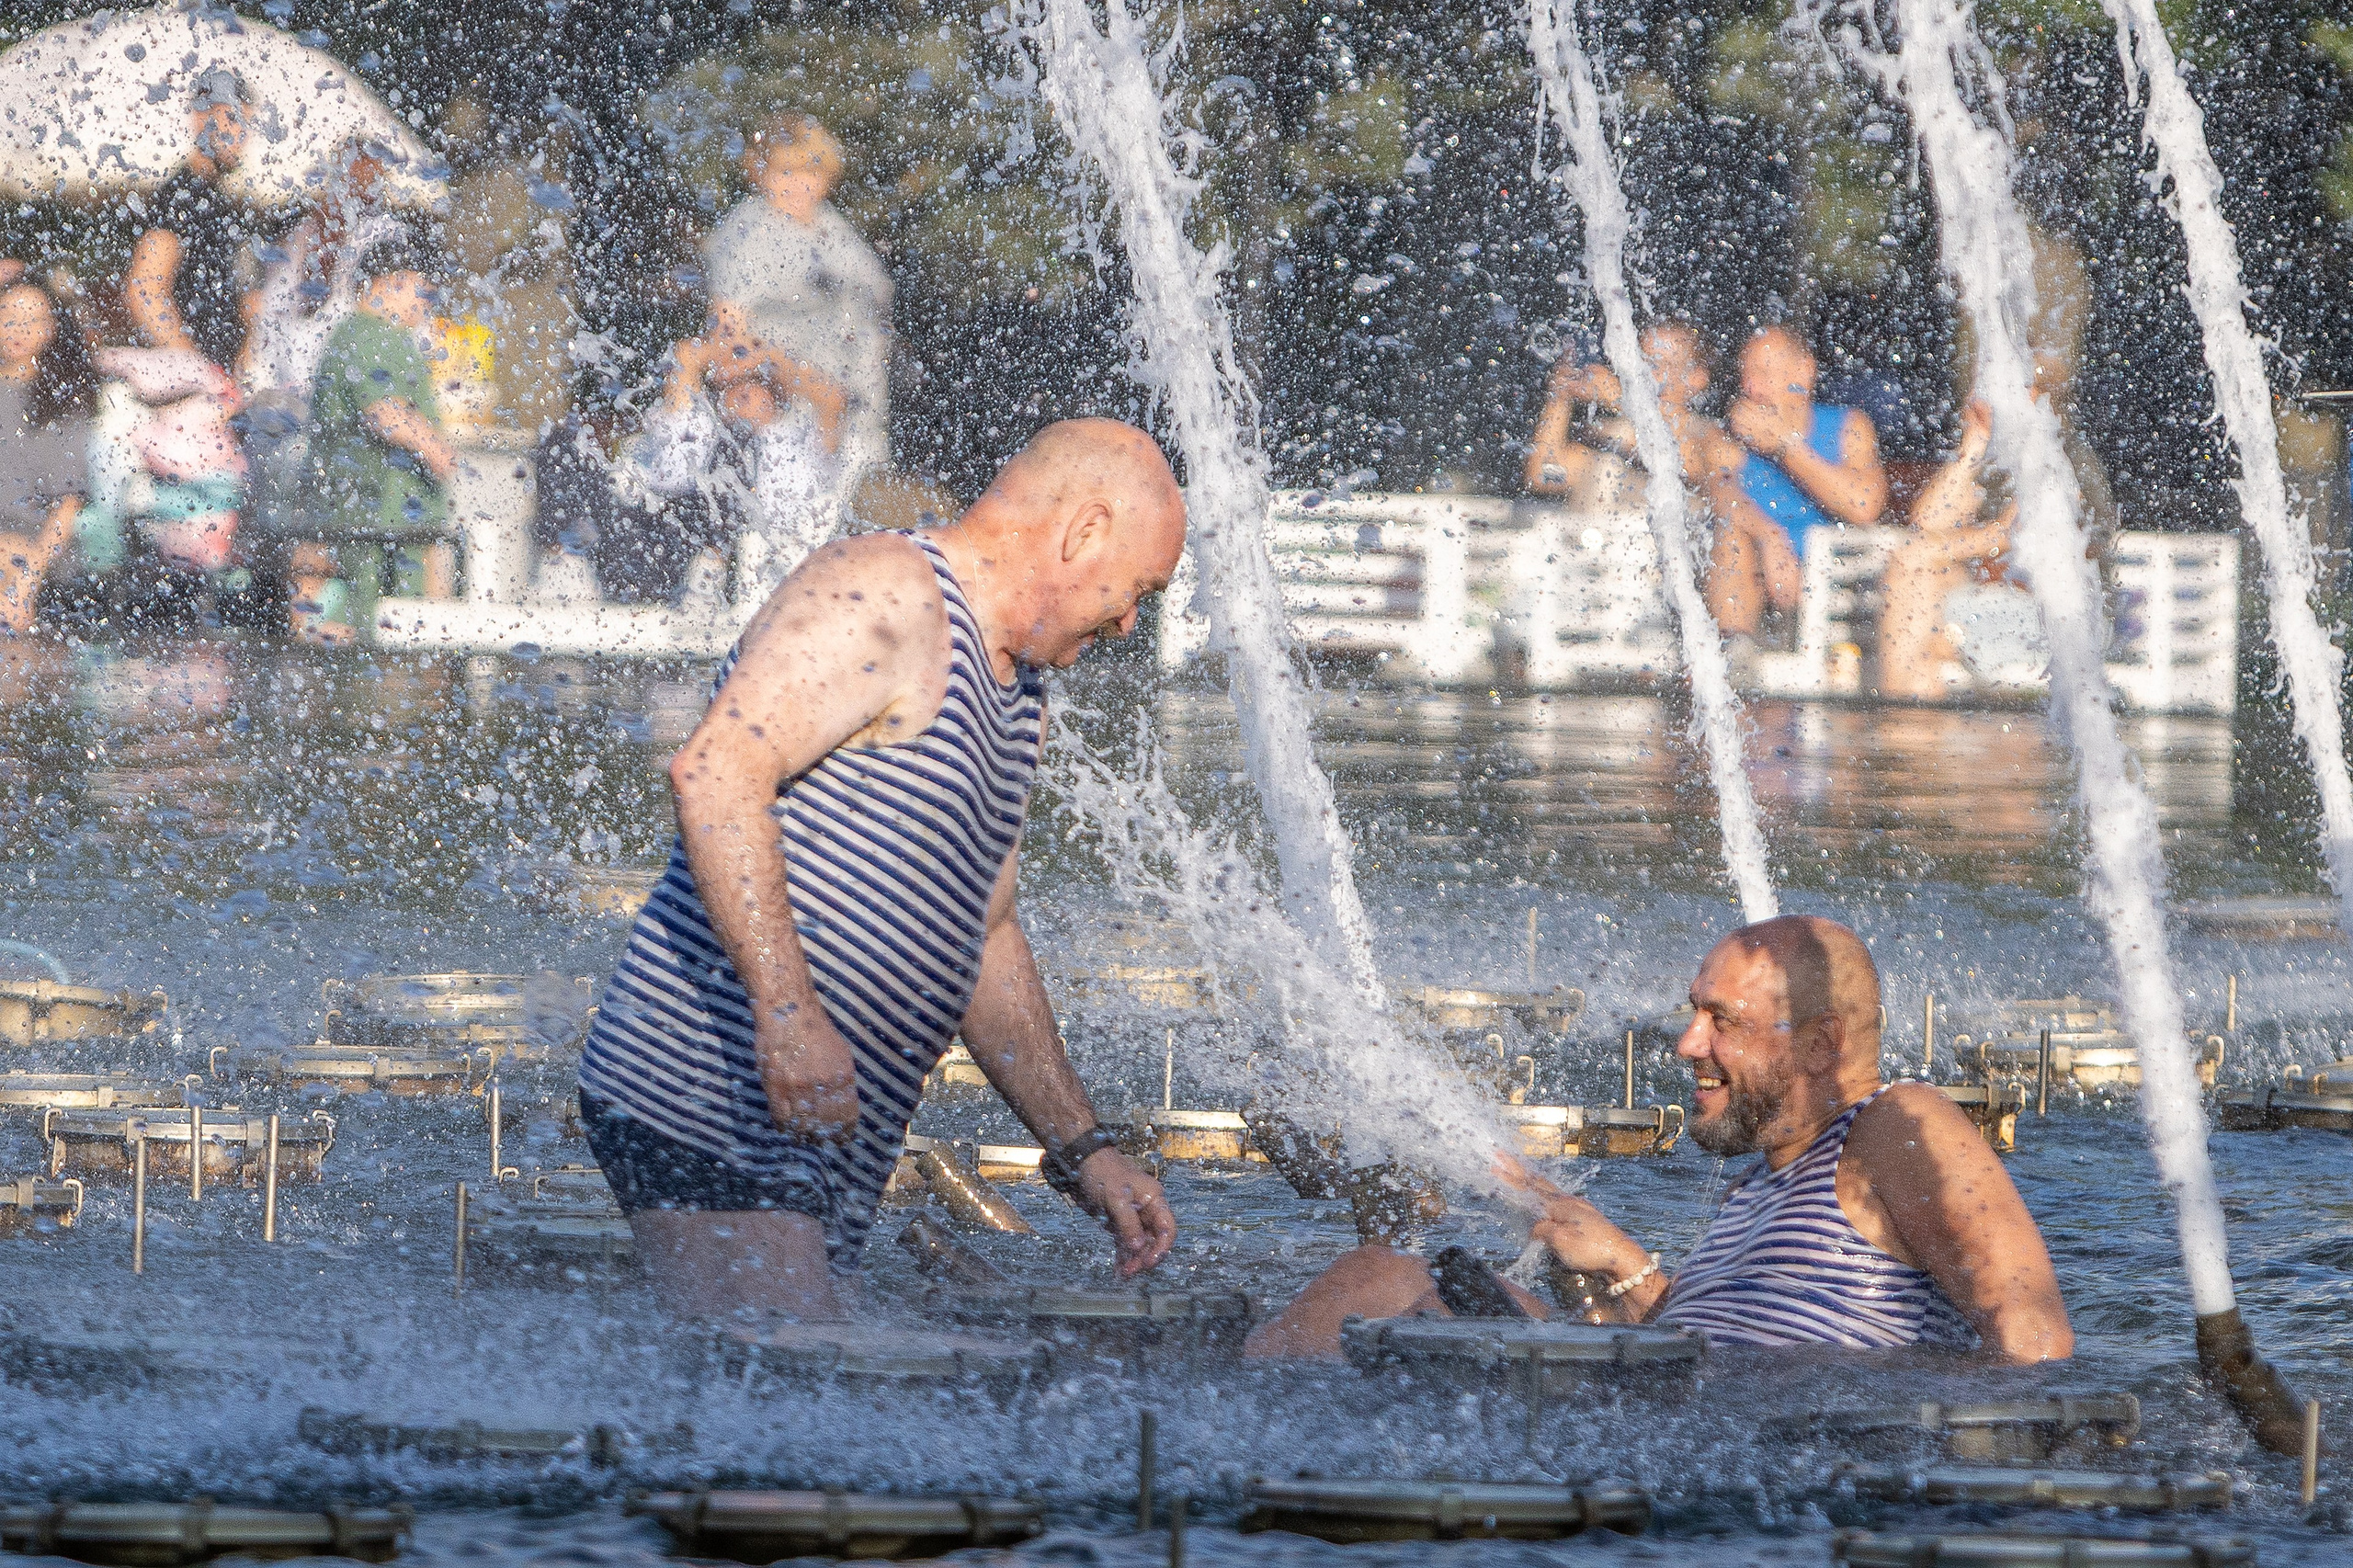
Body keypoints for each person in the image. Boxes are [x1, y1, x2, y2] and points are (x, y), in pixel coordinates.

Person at [575, 419, 1186, 1322]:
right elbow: (713, 774)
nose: (1130, 620)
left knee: (784, 1416)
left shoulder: (1019, 696)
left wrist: (1081, 1146)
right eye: (1137, 589)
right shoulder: (888, 592)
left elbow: (982, 931)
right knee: (786, 1418)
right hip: (709, 1091)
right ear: (1083, 531)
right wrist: (786, 1011)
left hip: (817, 1132)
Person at [1245, 915, 2073, 1362]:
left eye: (1722, 1021)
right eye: (1692, 1012)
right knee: (1383, 1280)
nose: (1686, 1044)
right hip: (1674, 1412)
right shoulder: (1762, 1185)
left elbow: (2031, 1334)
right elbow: (1720, 1331)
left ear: (1821, 1045)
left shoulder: (1898, 1124)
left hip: (1764, 1445)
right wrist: (1623, 1267)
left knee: (1380, 1288)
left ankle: (1220, 1425)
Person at [703, 114, 892, 506]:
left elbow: (874, 304)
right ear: (761, 173)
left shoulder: (833, 229)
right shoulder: (750, 232)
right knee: (795, 518)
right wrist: (799, 380)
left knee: (846, 518)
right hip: (788, 400)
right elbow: (727, 333)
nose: (798, 184)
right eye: (784, 171)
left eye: (810, 170)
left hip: (853, 399)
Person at [614, 299, 848, 609]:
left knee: (737, 447)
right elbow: (684, 362)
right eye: (732, 385)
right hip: (679, 552)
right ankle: (711, 565)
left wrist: (763, 352)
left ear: (775, 391)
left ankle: (714, 564)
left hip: (783, 564)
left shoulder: (799, 440)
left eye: (754, 381)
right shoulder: (704, 430)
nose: (744, 392)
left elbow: (832, 398)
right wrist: (721, 350)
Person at [290, 244, 458, 642]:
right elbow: (385, 412)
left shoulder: (355, 334)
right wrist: (441, 456)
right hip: (380, 526)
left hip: (370, 519)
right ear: (393, 282)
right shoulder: (373, 336)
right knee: (388, 644)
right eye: (424, 290)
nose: (428, 305)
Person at [1708, 327, 1890, 639]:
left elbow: (1864, 506)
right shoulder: (1727, 437)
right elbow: (1719, 498)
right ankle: (1732, 655)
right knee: (1730, 536)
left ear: (1804, 372)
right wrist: (1770, 536)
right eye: (1746, 375)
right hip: (1754, 570)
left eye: (1765, 373)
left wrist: (1786, 447)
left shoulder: (1848, 426)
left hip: (1832, 576)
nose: (1751, 387)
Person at [0, 282, 95, 631]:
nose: (17, 330)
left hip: (41, 552)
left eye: (31, 320)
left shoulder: (62, 403)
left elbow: (68, 505)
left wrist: (28, 577)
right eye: (8, 316)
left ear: (52, 329)